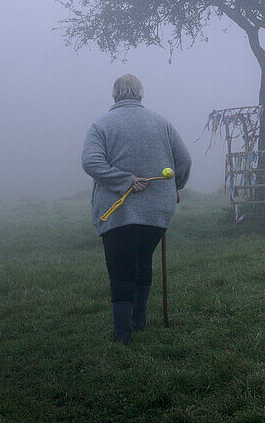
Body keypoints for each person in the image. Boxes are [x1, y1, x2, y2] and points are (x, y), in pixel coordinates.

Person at [81, 74, 191, 344]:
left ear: (115, 95)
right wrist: (175, 186)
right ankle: (138, 321)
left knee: (121, 270)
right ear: (140, 94)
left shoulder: (101, 125)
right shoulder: (162, 123)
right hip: (158, 213)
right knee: (143, 261)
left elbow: (91, 162)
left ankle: (123, 335)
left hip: (119, 213)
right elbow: (184, 160)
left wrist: (123, 181)